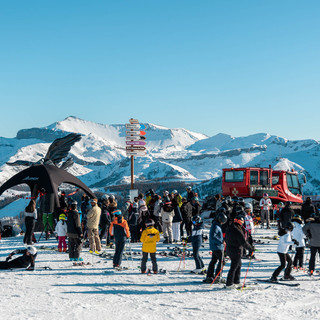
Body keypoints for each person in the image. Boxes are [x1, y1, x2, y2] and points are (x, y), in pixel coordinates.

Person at [225, 215, 253, 288]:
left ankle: (236, 281)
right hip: (235, 250)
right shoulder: (236, 229)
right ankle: (229, 283)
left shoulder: (231, 227)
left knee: (238, 265)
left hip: (231, 249)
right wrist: (250, 248)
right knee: (234, 266)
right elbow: (243, 242)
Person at [203, 211, 228, 283]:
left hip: (216, 246)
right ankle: (218, 276)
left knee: (214, 260)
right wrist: (221, 241)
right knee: (221, 261)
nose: (223, 223)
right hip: (217, 246)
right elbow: (213, 237)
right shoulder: (215, 226)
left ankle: (210, 275)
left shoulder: (216, 225)